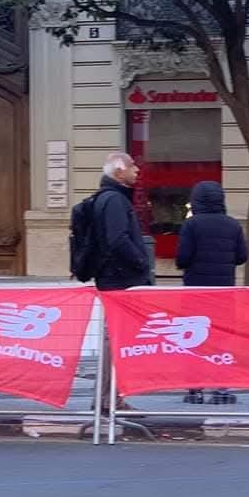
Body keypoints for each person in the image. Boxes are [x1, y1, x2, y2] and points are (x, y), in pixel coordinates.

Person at [176, 181, 248, 405]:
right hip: (224, 293)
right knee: (221, 340)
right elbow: (242, 257)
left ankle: (195, 389)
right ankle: (221, 389)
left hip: (196, 292)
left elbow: (182, 258)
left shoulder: (191, 225)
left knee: (195, 339)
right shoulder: (232, 225)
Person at [93, 152, 152, 410]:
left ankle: (108, 398)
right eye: (131, 166)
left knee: (115, 339)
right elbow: (117, 240)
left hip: (112, 278)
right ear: (118, 172)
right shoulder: (114, 200)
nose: (137, 170)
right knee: (115, 339)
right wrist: (141, 262)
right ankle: (108, 400)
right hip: (118, 280)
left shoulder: (109, 198)